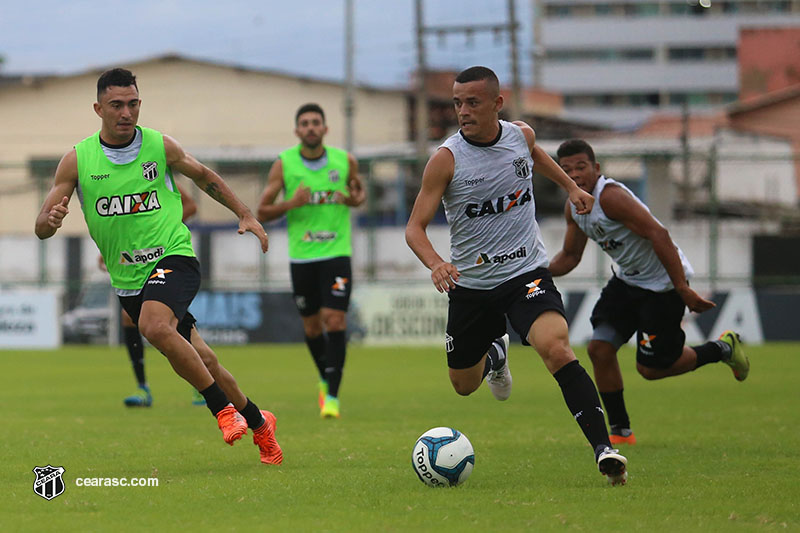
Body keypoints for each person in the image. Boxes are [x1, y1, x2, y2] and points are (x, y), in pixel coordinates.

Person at [35, 68, 282, 465]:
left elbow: (203, 177)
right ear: (98, 108)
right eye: (116, 105)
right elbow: (43, 224)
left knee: (153, 326)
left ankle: (222, 410)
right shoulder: (77, 160)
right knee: (205, 359)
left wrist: (245, 213)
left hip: (174, 256)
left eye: (133, 104)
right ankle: (260, 422)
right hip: (128, 279)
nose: (126, 112)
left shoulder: (159, 146)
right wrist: (47, 223)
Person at [405, 66, 628, 485]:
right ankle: (496, 355)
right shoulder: (446, 159)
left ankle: (604, 449)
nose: (463, 111)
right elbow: (414, 228)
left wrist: (571, 188)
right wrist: (436, 262)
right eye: (457, 103)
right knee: (463, 385)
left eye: (472, 102)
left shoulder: (519, 135)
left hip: (525, 274)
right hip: (471, 286)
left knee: (557, 349)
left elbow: (535, 155)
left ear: (496, 103)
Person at [549, 139, 749, 445]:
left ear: (596, 168)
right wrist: (534, 272)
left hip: (662, 286)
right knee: (599, 349)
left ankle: (722, 349)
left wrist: (683, 289)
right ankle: (620, 431)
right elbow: (571, 256)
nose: (575, 174)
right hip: (627, 282)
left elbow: (659, 233)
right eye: (566, 170)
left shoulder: (611, 197)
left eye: (581, 167)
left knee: (651, 370)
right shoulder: (573, 208)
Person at [256, 103, 365, 419]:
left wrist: (355, 198)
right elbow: (262, 211)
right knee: (312, 325)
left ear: (326, 129)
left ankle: (332, 395)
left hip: (336, 254)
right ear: (297, 131)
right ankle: (324, 375)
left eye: (316, 122)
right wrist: (292, 202)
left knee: (336, 320)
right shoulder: (284, 164)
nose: (311, 128)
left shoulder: (345, 162)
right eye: (304, 123)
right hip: (302, 257)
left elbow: (359, 195)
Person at [97, 181, 204, 408]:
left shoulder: (154, 172)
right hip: (131, 256)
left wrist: (160, 229)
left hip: (164, 254)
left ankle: (201, 383)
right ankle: (143, 387)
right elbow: (119, 221)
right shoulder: (112, 180)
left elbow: (190, 206)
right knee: (131, 318)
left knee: (169, 323)